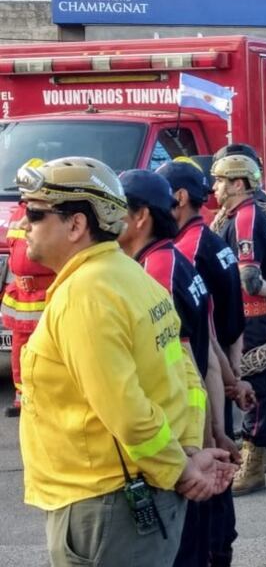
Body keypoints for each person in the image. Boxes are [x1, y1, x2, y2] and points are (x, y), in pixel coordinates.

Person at [16, 156, 235, 567]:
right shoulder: (132, 277)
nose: (23, 223)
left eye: (35, 213)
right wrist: (186, 451)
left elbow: (127, 409)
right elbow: (185, 374)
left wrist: (181, 469)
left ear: (77, 224)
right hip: (139, 496)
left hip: (104, 505)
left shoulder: (86, 294)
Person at [118, 169, 221, 567]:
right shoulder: (174, 258)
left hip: (177, 445)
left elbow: (191, 362)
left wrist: (208, 438)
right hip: (190, 439)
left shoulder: (154, 271)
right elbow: (208, 349)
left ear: (140, 216)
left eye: (116, 210)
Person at [159, 158, 250, 567]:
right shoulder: (208, 244)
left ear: (178, 198)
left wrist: (216, 420)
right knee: (218, 492)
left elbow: (201, 341)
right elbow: (219, 331)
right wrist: (236, 379)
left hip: (199, 403)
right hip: (214, 391)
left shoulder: (184, 253)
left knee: (204, 501)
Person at [211, 152, 266, 496]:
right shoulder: (241, 215)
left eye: (221, 180)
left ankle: (253, 461)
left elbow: (249, 278)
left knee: (252, 384)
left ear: (238, 183)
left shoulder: (245, 220)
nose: (215, 187)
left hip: (251, 318)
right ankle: (259, 453)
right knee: (257, 384)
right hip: (246, 317)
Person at [1, 159, 55, 417]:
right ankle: (22, 399)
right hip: (21, 294)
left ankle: (44, 399)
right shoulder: (16, 213)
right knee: (19, 349)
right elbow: (13, 253)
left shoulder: (50, 214)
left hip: (45, 294)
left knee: (46, 351)